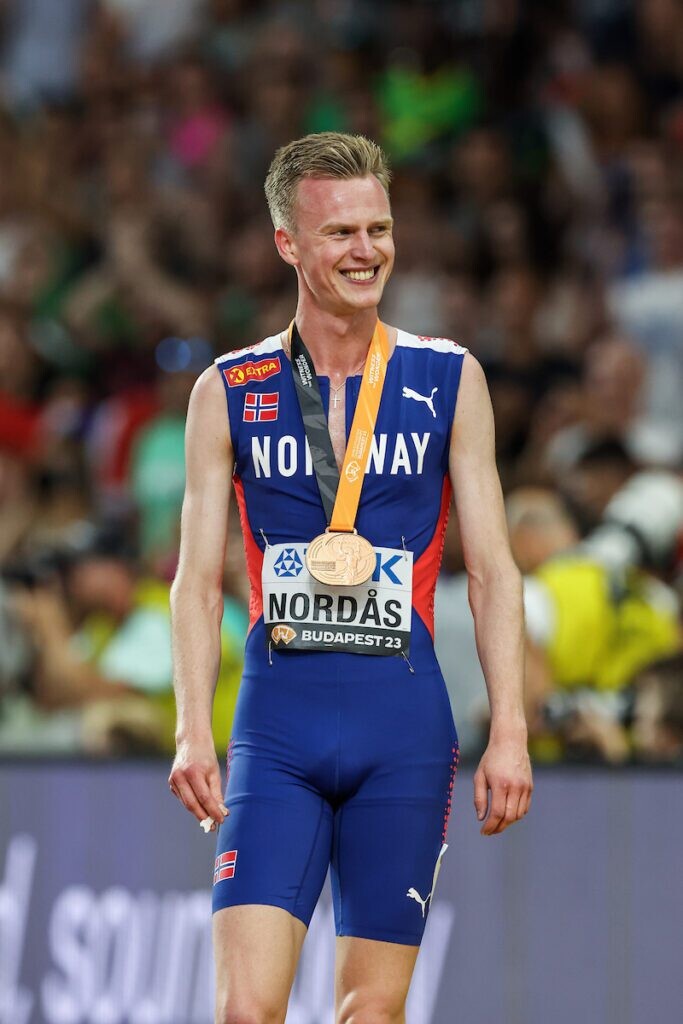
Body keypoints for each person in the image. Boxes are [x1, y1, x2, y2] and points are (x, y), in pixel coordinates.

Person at [169, 132, 532, 1024]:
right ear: (288, 243)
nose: (366, 251)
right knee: (245, 1010)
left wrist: (510, 729)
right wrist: (190, 729)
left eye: (379, 228)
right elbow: (194, 581)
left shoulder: (449, 378)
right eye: (339, 233)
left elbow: (492, 570)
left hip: (401, 727)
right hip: (277, 728)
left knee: (370, 1014)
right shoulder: (229, 388)